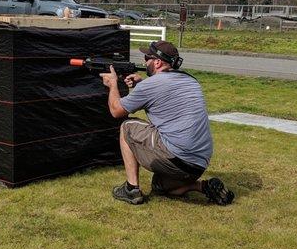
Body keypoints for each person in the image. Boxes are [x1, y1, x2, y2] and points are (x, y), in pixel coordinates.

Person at [99, 40, 234, 206]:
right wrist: (141, 85)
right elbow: (167, 99)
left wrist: (113, 85)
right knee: (159, 186)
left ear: (157, 62)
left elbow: (116, 110)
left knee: (127, 127)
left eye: (147, 58)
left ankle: (131, 189)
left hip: (175, 159)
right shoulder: (191, 81)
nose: (145, 62)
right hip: (198, 164)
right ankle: (202, 187)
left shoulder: (151, 85)